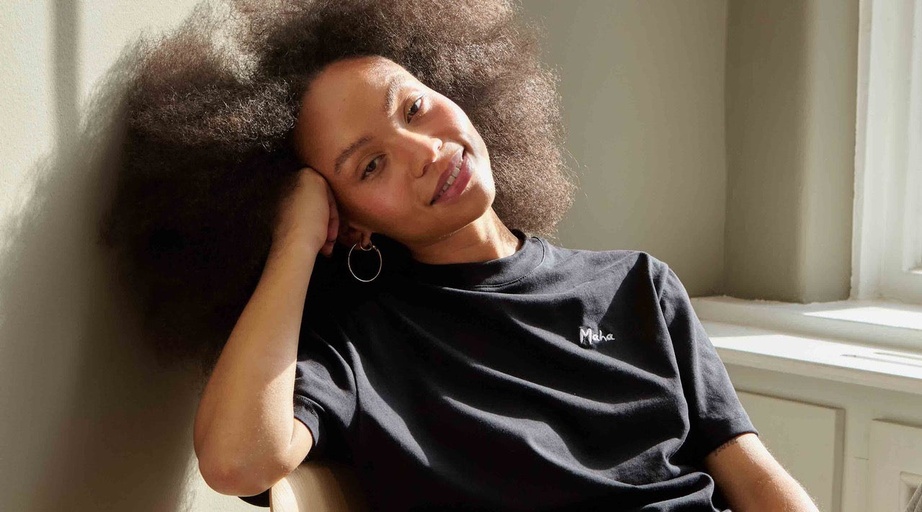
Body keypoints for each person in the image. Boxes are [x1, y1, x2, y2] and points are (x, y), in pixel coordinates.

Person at [103, 1, 819, 510]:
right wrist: (293, 239)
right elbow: (236, 462)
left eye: (413, 107)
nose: (423, 151)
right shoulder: (357, 343)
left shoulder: (637, 285)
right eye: (370, 166)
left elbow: (754, 479)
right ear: (348, 223)